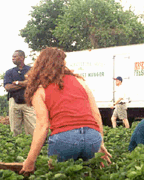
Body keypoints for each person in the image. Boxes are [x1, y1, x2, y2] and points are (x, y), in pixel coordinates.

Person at [19, 47, 111, 175]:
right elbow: (96, 115)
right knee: (88, 175)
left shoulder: (39, 90)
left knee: (58, 175)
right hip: (92, 136)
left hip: (64, 139)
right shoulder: (81, 82)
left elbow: (42, 126)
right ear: (62, 64)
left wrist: (30, 161)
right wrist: (100, 143)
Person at [3, 50, 36, 136]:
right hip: (14, 102)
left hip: (29, 102)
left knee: (33, 127)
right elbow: (8, 87)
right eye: (12, 57)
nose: (12, 58)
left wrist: (17, 83)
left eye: (15, 57)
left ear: (22, 57)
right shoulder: (9, 72)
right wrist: (25, 83)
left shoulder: (31, 70)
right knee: (14, 129)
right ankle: (16, 146)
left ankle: (34, 146)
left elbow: (35, 84)